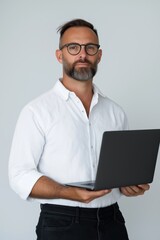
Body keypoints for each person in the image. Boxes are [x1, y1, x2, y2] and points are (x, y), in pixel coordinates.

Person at [9, 19, 150, 240]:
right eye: (73, 47)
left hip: (112, 221)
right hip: (61, 223)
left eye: (90, 48)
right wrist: (67, 192)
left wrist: (131, 186)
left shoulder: (116, 112)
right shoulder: (36, 111)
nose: (82, 54)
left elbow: (120, 176)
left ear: (99, 55)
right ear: (60, 55)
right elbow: (19, 175)